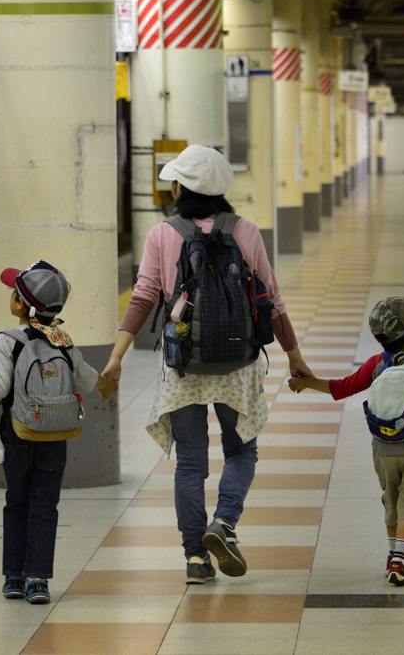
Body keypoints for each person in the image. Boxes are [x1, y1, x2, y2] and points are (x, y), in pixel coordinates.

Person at [101, 145, 313, 584]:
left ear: (179, 186)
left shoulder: (162, 234)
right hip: (237, 365)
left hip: (183, 366)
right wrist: (295, 356)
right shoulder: (246, 231)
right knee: (241, 450)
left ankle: (195, 559)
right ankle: (225, 523)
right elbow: (271, 300)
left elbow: (143, 297)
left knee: (191, 464)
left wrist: (116, 356)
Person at [0, 261, 115, 604]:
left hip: (18, 434)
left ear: (21, 305)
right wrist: (108, 386)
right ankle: (39, 580)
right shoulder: (62, 338)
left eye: (14, 292)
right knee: (45, 506)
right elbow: (85, 376)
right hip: (56, 435)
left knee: (16, 503)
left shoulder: (7, 340)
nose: (11, 295)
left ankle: (14, 578)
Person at [289, 297, 404, 586]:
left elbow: (341, 388)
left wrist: (307, 382)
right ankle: (399, 564)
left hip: (382, 449)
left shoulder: (376, 363)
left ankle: (394, 555)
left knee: (392, 502)